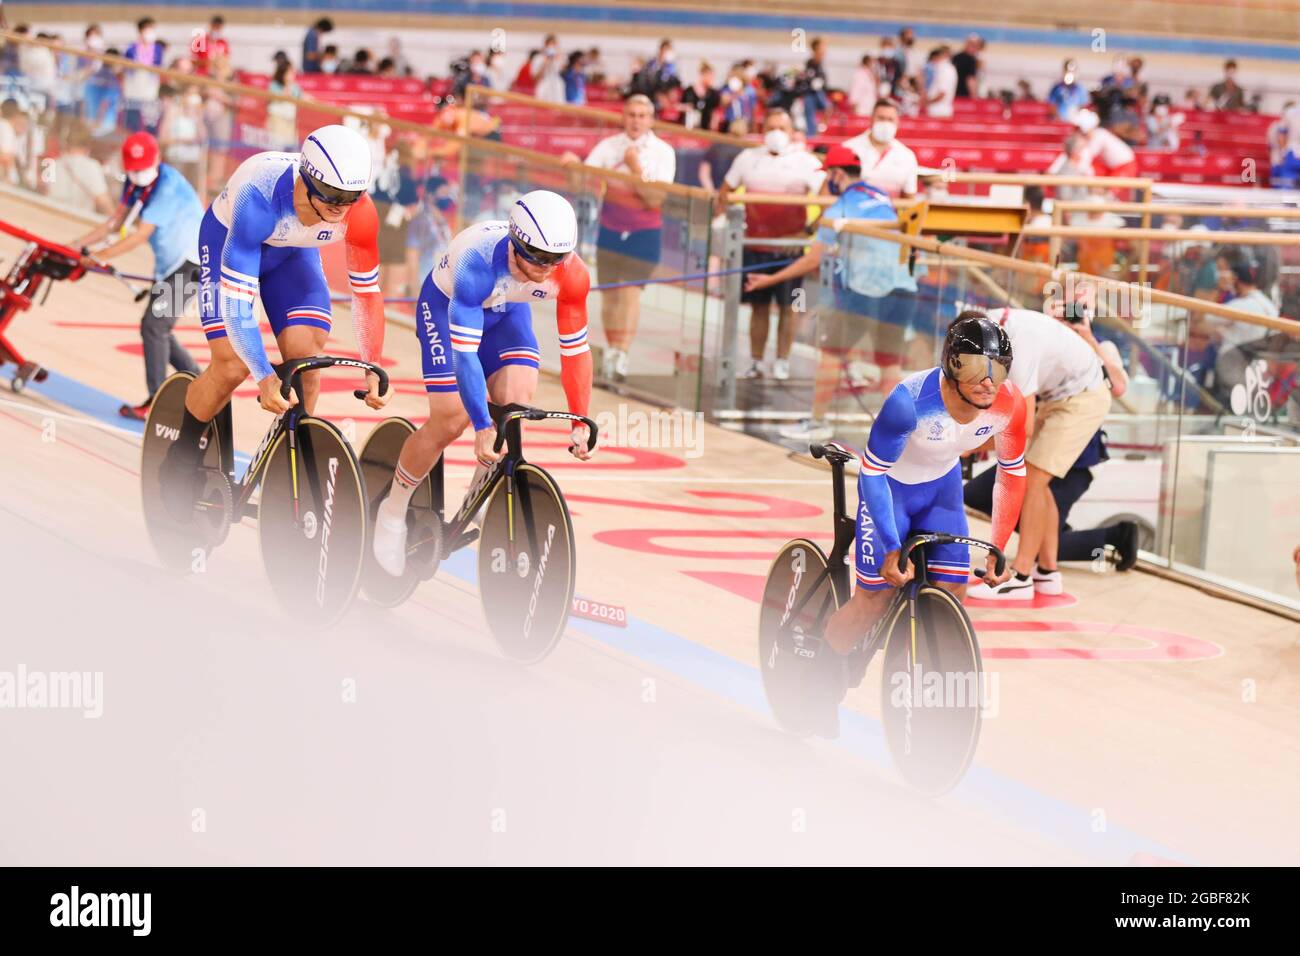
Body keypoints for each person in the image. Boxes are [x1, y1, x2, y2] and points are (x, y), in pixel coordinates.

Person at [807, 315, 1028, 735]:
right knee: (873, 600)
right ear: (950, 364)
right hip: (892, 491)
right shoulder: (908, 401)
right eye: (974, 367)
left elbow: (1012, 473)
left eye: (998, 368)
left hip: (941, 492)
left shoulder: (1009, 405)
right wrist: (892, 544)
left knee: (954, 592)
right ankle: (818, 686)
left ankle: (932, 700)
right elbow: (872, 474)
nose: (987, 380)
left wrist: (998, 548)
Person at [159, 125, 389, 516]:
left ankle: (288, 467)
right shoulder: (259, 197)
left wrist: (374, 363)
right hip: (229, 241)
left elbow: (366, 293)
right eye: (332, 196)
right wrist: (264, 376)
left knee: (308, 363)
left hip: (292, 256)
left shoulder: (360, 213)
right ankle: (180, 455)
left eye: (350, 197)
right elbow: (237, 306)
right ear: (308, 178)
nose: (340, 207)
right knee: (232, 365)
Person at [371, 191, 596, 576]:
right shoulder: (476, 260)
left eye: (554, 259)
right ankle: (392, 512)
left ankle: (474, 500)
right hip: (447, 309)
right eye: (536, 257)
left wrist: (580, 420)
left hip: (507, 314)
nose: (545, 269)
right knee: (451, 417)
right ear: (515, 243)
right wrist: (480, 424)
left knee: (517, 403)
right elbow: (465, 355)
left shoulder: (571, 272)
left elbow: (575, 352)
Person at [744, 145, 914, 440]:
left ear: (837, 175)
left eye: (827, 177)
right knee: (889, 362)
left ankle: (817, 422)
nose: (826, 184)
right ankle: (897, 433)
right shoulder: (881, 196)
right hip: (903, 288)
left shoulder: (839, 209)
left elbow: (812, 258)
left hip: (864, 290)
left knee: (832, 356)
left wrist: (769, 280)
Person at [968, 296, 1118, 599]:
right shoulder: (993, 322)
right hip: (1063, 396)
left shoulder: (1019, 342)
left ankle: (1021, 575)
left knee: (1032, 480)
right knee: (1040, 484)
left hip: (1082, 397)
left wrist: (970, 445)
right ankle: (1047, 572)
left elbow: (1022, 427)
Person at [71, 132, 204, 419]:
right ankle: (200, 382)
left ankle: (157, 402)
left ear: (157, 160)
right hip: (171, 266)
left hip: (192, 264)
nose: (138, 175)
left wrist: (96, 257)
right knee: (156, 327)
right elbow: (114, 223)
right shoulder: (134, 184)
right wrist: (72, 247)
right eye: (133, 170)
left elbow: (139, 236)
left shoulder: (168, 186)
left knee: (154, 326)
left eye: (142, 169)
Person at [561, 94, 676, 382]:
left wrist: (636, 168)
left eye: (641, 115)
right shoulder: (608, 147)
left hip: (644, 231)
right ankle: (611, 351)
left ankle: (622, 353)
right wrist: (573, 166)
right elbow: (583, 184)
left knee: (630, 293)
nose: (636, 120)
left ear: (650, 120)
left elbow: (655, 199)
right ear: (623, 117)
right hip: (610, 228)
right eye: (631, 114)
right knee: (610, 295)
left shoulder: (663, 152)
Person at [718, 108, 824, 381]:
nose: (776, 132)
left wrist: (807, 232)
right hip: (755, 246)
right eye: (771, 127)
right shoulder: (747, 158)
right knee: (758, 307)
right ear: (763, 130)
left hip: (791, 251)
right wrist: (730, 223)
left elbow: (827, 199)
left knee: (791, 308)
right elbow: (724, 192)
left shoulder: (806, 162)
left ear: (791, 132)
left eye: (782, 127)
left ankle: (782, 361)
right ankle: (755, 361)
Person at [841, 98, 919, 200]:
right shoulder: (848, 148)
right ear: (871, 119)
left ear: (898, 123)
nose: (885, 124)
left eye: (890, 119)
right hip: (852, 213)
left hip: (890, 214)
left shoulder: (907, 156)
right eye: (881, 118)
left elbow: (909, 198)